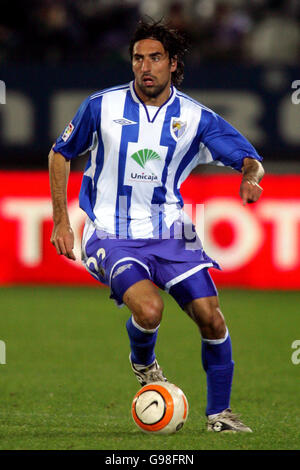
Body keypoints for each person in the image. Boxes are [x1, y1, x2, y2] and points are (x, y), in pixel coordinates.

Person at [48, 19, 264, 433]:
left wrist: (250, 177)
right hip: (112, 233)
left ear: (173, 64)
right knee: (149, 310)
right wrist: (62, 220)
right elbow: (61, 153)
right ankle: (144, 361)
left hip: (172, 233)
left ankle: (220, 416)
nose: (145, 66)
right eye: (137, 58)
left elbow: (247, 157)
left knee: (211, 317)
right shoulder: (102, 106)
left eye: (155, 58)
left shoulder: (196, 117)